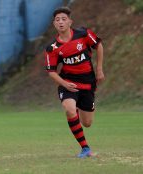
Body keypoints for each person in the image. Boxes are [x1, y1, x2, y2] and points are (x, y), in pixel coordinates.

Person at [45, 6, 105, 158]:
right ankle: (85, 148)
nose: (61, 22)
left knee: (87, 123)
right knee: (70, 110)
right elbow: (51, 71)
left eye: (64, 19)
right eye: (57, 20)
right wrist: (64, 84)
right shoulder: (52, 48)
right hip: (68, 84)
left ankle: (78, 106)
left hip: (88, 83)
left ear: (70, 22)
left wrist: (99, 69)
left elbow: (99, 46)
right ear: (54, 24)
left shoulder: (83, 33)